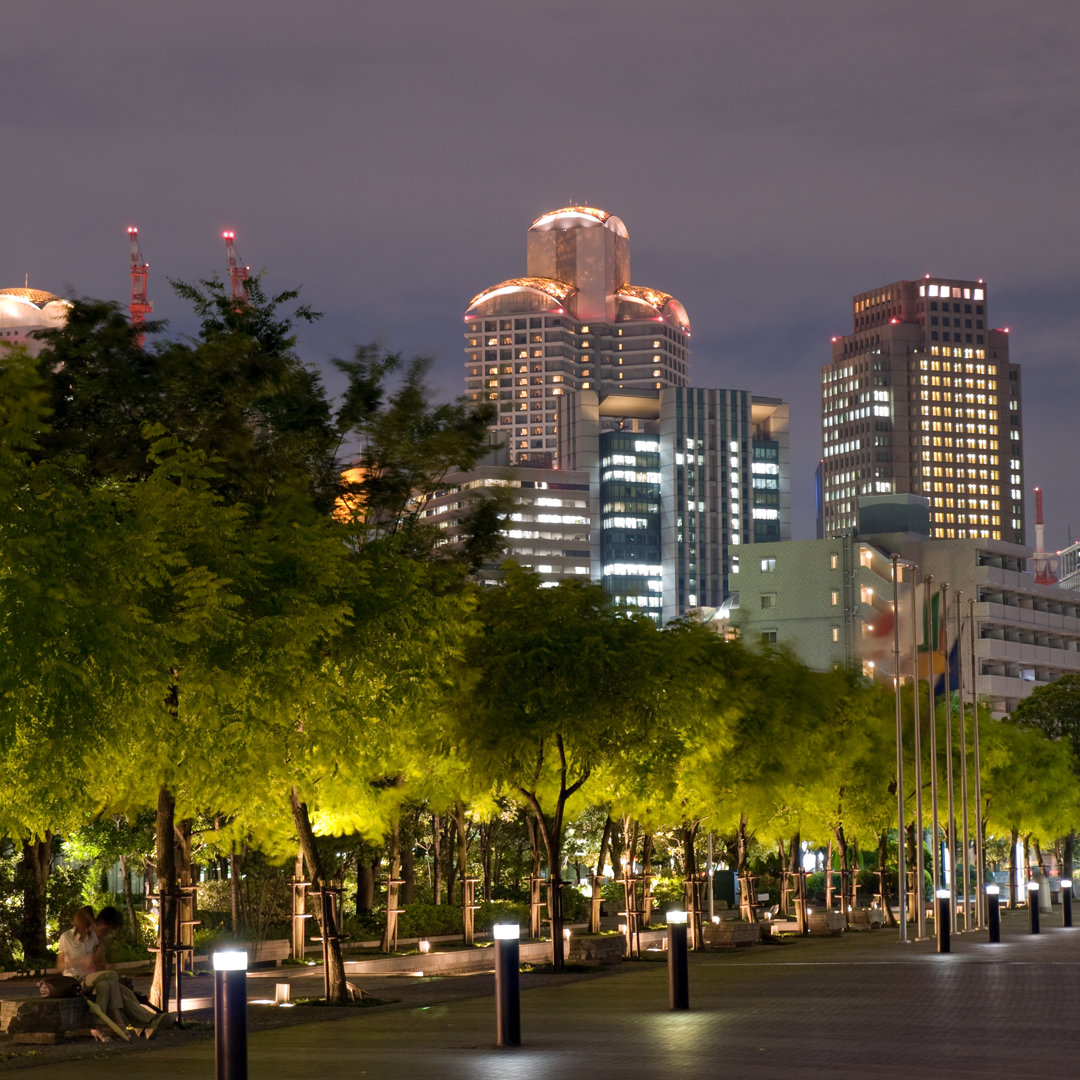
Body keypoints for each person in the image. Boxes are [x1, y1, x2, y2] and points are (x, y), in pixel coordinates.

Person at [92, 905, 169, 1033]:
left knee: (129, 994)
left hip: (101, 977)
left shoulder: (99, 941)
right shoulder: (91, 939)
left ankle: (144, 1026)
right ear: (100, 922)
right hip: (94, 980)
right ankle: (148, 1021)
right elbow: (92, 965)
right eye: (106, 930)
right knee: (120, 993)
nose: (107, 934)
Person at [56, 905, 126, 1041]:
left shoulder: (92, 937)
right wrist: (79, 961)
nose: (89, 930)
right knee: (111, 976)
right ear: (80, 924)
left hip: (90, 976)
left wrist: (99, 958)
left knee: (105, 985)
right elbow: (60, 966)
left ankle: (97, 1024)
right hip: (74, 979)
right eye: (87, 926)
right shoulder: (66, 937)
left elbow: (97, 962)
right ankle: (118, 1020)